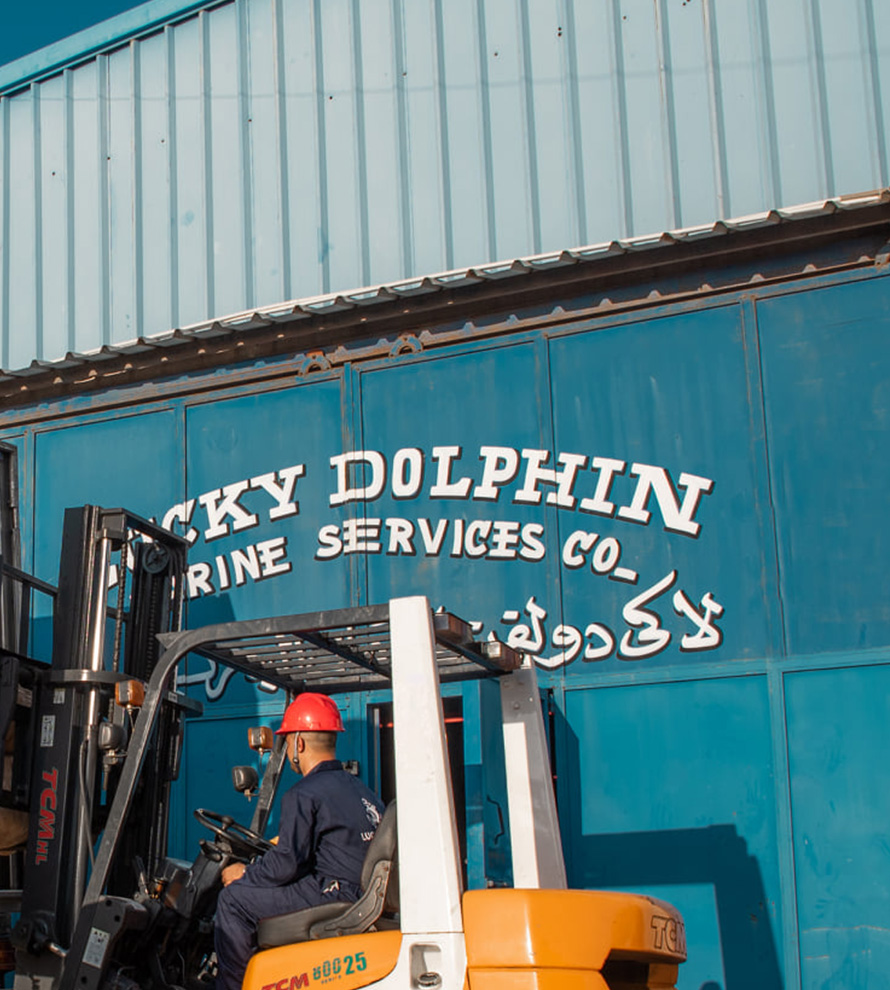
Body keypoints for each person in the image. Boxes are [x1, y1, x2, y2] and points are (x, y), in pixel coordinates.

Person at [214, 693, 384, 990]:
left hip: (334, 892)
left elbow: (286, 864)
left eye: (287, 740)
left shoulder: (304, 794)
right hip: (356, 889)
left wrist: (246, 872)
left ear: (298, 744)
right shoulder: (361, 790)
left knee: (233, 901)